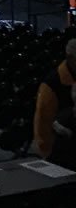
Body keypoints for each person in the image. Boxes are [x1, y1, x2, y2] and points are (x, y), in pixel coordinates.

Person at [33, 36, 76, 167]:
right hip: (62, 152)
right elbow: (43, 121)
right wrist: (46, 153)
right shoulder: (51, 84)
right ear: (69, 57)